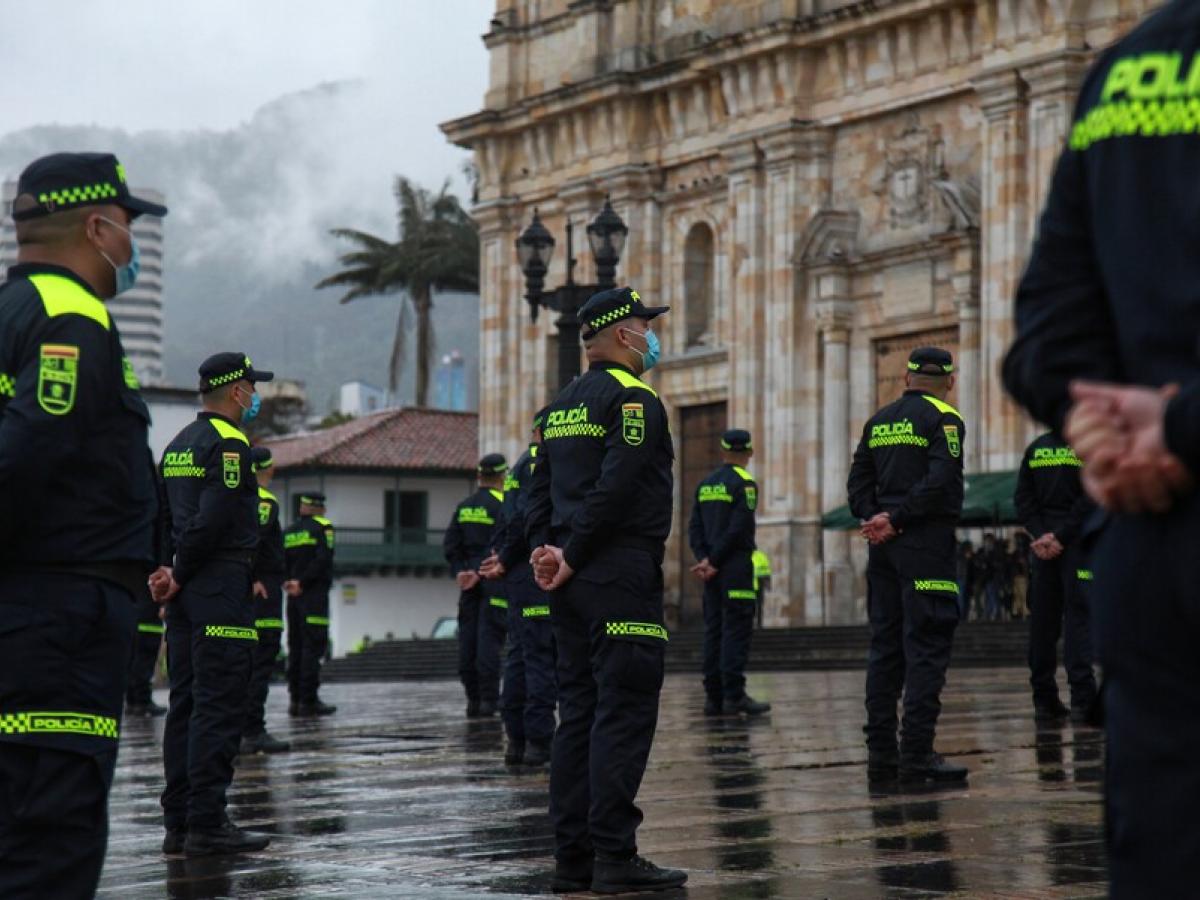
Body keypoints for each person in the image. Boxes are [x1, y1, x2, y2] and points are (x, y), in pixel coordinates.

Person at [0, 151, 164, 897]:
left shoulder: (11, 311)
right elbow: (29, 451)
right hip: (58, 618)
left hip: (33, 611)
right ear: (97, 226)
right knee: (50, 835)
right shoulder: (72, 315)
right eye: (127, 226)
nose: (131, 245)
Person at [527, 286, 687, 894]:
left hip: (570, 582)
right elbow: (618, 485)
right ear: (624, 334)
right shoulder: (635, 398)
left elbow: (536, 492)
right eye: (647, 325)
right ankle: (615, 855)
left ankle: (575, 858)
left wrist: (546, 551)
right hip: (618, 573)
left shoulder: (558, 407)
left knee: (579, 716)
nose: (652, 335)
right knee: (622, 713)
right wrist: (571, 552)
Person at [154, 351, 272, 856]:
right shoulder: (230, 445)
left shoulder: (177, 445)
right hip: (220, 586)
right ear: (237, 392)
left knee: (185, 704)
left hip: (184, 593)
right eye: (252, 386)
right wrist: (179, 573)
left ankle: (178, 823)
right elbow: (215, 519)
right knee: (218, 706)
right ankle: (206, 822)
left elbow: (162, 521)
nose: (255, 396)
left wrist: (165, 574)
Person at [846, 346, 968, 784]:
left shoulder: (878, 421)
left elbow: (857, 482)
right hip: (924, 544)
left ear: (906, 379)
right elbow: (941, 481)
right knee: (926, 647)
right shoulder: (945, 419)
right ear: (949, 382)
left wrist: (874, 518)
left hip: (883, 547)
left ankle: (881, 753)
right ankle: (916, 754)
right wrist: (896, 520)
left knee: (885, 648)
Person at [482, 410, 558, 768]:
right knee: (540, 657)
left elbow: (506, 520)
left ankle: (516, 740)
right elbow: (527, 519)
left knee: (518, 655)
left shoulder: (515, 468)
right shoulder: (540, 463)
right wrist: (511, 557)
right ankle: (540, 742)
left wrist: (501, 559)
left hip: (515, 572)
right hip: (533, 568)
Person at [1013, 434, 1097, 723]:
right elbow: (1092, 498)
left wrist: (1041, 534)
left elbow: (1023, 500)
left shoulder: (1035, 448)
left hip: (1043, 547)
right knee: (1078, 622)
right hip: (1075, 544)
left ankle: (1044, 698)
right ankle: (1083, 699)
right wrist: (1061, 536)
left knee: (1043, 626)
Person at [688, 428, 770, 717]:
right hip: (734, 568)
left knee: (713, 631)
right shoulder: (745, 483)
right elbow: (738, 529)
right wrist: (717, 560)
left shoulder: (705, 484)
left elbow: (694, 528)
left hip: (710, 571)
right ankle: (734, 695)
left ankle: (713, 697)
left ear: (722, 451)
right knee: (736, 631)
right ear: (749, 453)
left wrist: (704, 559)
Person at [443, 455, 508, 717]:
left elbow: (450, 545)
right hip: (493, 582)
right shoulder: (504, 505)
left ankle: (472, 700)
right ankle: (489, 701)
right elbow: (505, 543)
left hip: (467, 584)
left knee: (467, 642)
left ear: (479, 476)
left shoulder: (464, 507)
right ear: (502, 476)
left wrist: (462, 571)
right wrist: (481, 573)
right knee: (489, 644)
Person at [241, 446, 290, 753]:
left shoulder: (239, 497)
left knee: (250, 663)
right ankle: (252, 730)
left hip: (252, 587)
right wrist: (253, 577)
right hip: (264, 590)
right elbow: (254, 541)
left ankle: (244, 728)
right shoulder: (264, 501)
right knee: (261, 661)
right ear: (267, 470)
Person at [283, 493, 337, 716]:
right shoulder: (323, 527)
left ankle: (295, 699)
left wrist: (289, 582)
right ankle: (309, 700)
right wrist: (303, 582)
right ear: (319, 508)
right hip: (313, 595)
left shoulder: (288, 531)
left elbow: (279, 559)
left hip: (292, 597)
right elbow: (323, 559)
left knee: (295, 647)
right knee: (312, 647)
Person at [126, 588, 168, 717]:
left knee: (135, 661)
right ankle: (142, 702)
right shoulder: (154, 569)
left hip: (136, 617)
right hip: (149, 618)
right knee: (144, 663)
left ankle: (133, 701)